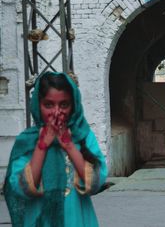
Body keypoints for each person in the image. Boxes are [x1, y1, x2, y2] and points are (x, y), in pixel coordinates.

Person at [3, 72, 108, 226]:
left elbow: (96, 182)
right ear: (37, 105)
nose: (57, 112)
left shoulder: (83, 136)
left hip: (77, 220)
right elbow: (20, 188)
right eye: (48, 105)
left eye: (64, 105)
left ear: (74, 105)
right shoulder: (26, 142)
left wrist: (69, 146)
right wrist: (42, 145)